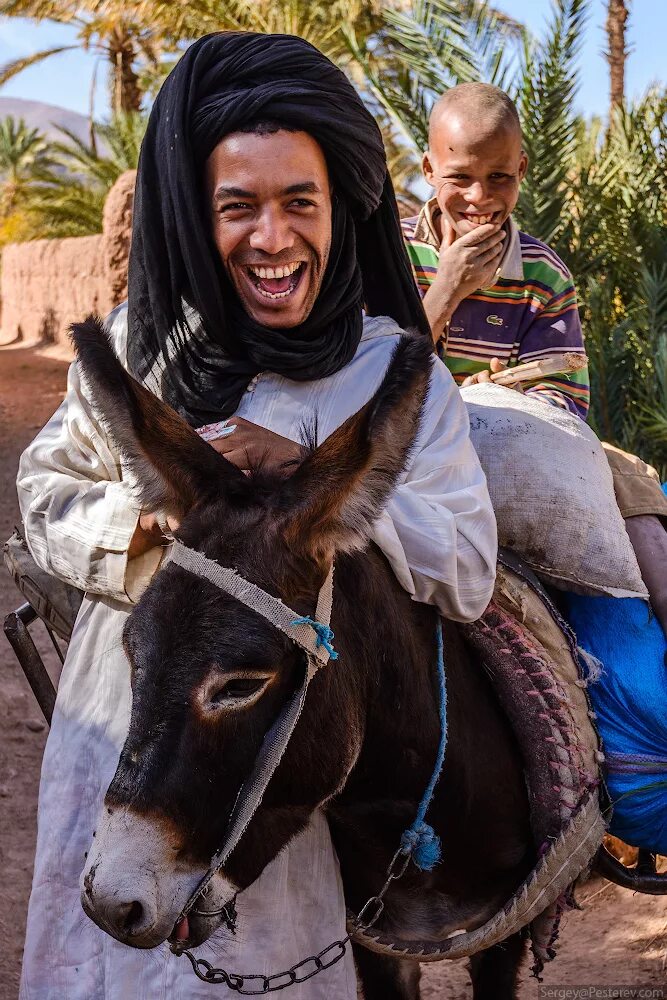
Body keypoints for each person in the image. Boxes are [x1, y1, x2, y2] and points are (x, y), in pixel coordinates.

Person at [16, 34, 497, 1000]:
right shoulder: (131, 353)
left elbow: (469, 561)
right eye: (237, 207)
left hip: (282, 779)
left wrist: (316, 503)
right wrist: (147, 527)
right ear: (196, 218)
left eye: (299, 204)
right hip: (124, 732)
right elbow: (44, 497)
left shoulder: (391, 371)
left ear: (341, 211)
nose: (271, 239)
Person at [401, 82, 667, 632]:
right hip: (406, 435)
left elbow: (565, 401)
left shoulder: (544, 273)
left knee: (632, 485)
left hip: (506, 441)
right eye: (460, 178)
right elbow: (364, 370)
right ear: (429, 169)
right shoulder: (391, 254)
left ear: (522, 169)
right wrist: (445, 293)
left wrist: (499, 396)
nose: (479, 197)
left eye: (498, 177)